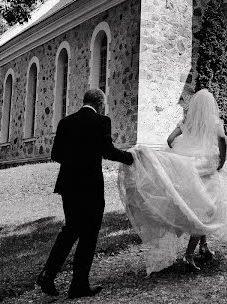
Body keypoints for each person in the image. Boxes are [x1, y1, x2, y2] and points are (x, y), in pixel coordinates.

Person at [118, 89, 227, 274]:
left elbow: (169, 139)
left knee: (199, 207)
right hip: (207, 169)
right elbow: (222, 141)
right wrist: (221, 161)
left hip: (189, 169)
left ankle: (203, 246)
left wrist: (183, 152)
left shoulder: (187, 122)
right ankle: (189, 255)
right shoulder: (215, 123)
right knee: (205, 211)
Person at [37, 89, 134, 299]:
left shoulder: (65, 122)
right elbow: (108, 151)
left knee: (71, 229)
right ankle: (78, 285)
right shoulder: (101, 121)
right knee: (89, 235)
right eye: (104, 104)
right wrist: (130, 157)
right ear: (99, 102)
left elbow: (56, 154)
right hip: (90, 186)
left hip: (69, 185)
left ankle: (47, 274)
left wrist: (75, 160)